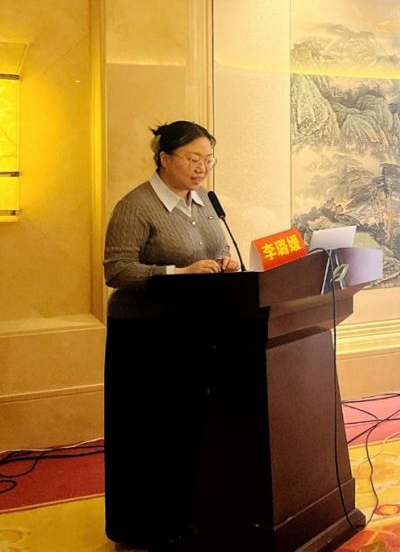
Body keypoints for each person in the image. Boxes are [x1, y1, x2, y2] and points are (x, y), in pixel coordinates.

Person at [102, 120, 240, 550]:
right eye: (193, 159)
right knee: (152, 436)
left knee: (189, 432)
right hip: (146, 338)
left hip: (195, 332)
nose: (202, 168)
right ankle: (146, 528)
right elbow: (117, 270)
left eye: (209, 159)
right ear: (165, 158)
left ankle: (189, 516)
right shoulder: (136, 206)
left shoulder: (204, 202)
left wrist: (225, 262)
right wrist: (176, 273)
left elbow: (212, 250)